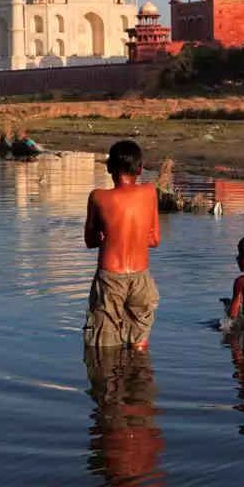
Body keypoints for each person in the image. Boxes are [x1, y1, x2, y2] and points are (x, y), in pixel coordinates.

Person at [83, 140, 161, 350]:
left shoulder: (98, 196)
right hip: (141, 278)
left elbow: (90, 241)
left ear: (109, 168)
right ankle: (139, 376)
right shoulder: (150, 192)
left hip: (110, 277)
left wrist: (106, 236)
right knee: (139, 341)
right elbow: (154, 240)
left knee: (103, 346)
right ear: (140, 169)